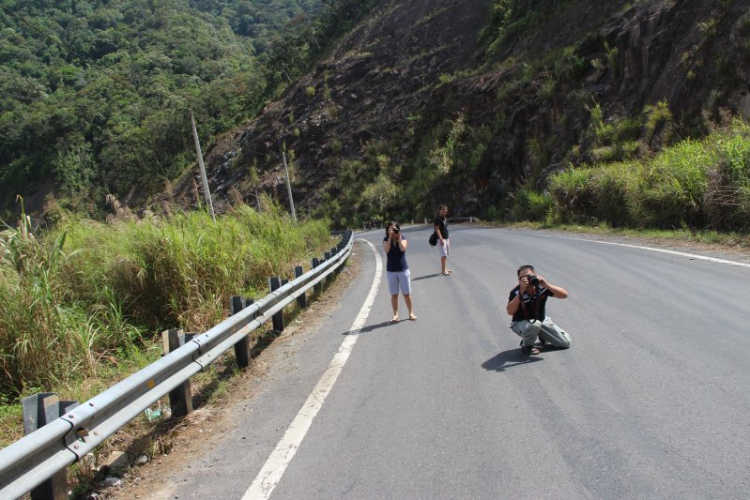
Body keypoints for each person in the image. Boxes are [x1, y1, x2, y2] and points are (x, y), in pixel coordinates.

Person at [506, 264, 571, 355]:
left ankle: (541, 334)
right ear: (519, 280)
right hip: (520, 323)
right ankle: (527, 346)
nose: (526, 279)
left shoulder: (542, 287)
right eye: (522, 278)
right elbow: (510, 311)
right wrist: (521, 292)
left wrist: (545, 284)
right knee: (535, 324)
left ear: (535, 275)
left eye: (528, 276)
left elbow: (564, 295)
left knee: (565, 343)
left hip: (541, 320)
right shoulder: (516, 292)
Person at [383, 221, 417, 322]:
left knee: (406, 294)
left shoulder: (403, 238)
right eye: (391, 229)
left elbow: (402, 248)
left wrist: (398, 237)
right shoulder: (385, 239)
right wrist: (390, 237)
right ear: (387, 230)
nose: (393, 230)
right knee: (394, 294)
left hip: (403, 270)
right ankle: (395, 315)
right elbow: (387, 250)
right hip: (391, 271)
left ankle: (411, 313)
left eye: (394, 229)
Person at [434, 204, 451, 275]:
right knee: (443, 255)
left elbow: (445, 229)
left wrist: (448, 238)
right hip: (442, 239)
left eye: (446, 209)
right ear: (440, 210)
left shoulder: (444, 218)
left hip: (446, 238)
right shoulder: (438, 218)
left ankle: (444, 268)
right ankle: (443, 271)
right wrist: (441, 239)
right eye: (443, 209)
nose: (445, 210)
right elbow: (437, 229)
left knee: (445, 254)